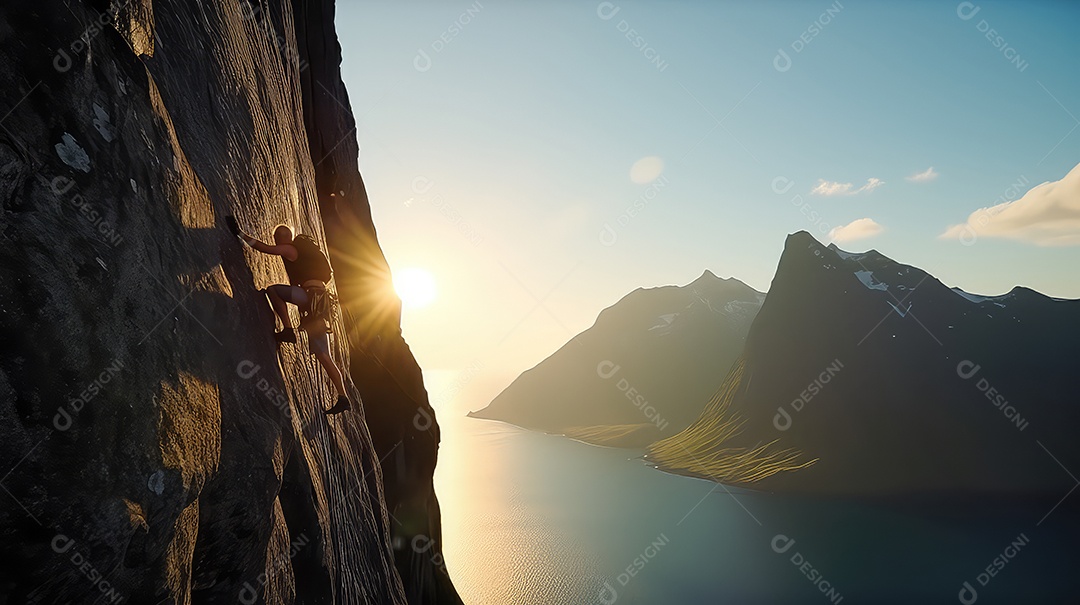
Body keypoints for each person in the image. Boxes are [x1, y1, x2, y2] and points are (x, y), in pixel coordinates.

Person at [226, 216, 351, 415]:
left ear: (281, 237)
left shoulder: (289, 248)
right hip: (321, 304)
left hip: (309, 298)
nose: (276, 241)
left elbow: (265, 248)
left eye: (277, 237)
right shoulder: (306, 251)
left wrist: (240, 234)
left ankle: (288, 330)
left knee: (274, 291)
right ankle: (343, 397)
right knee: (323, 355)